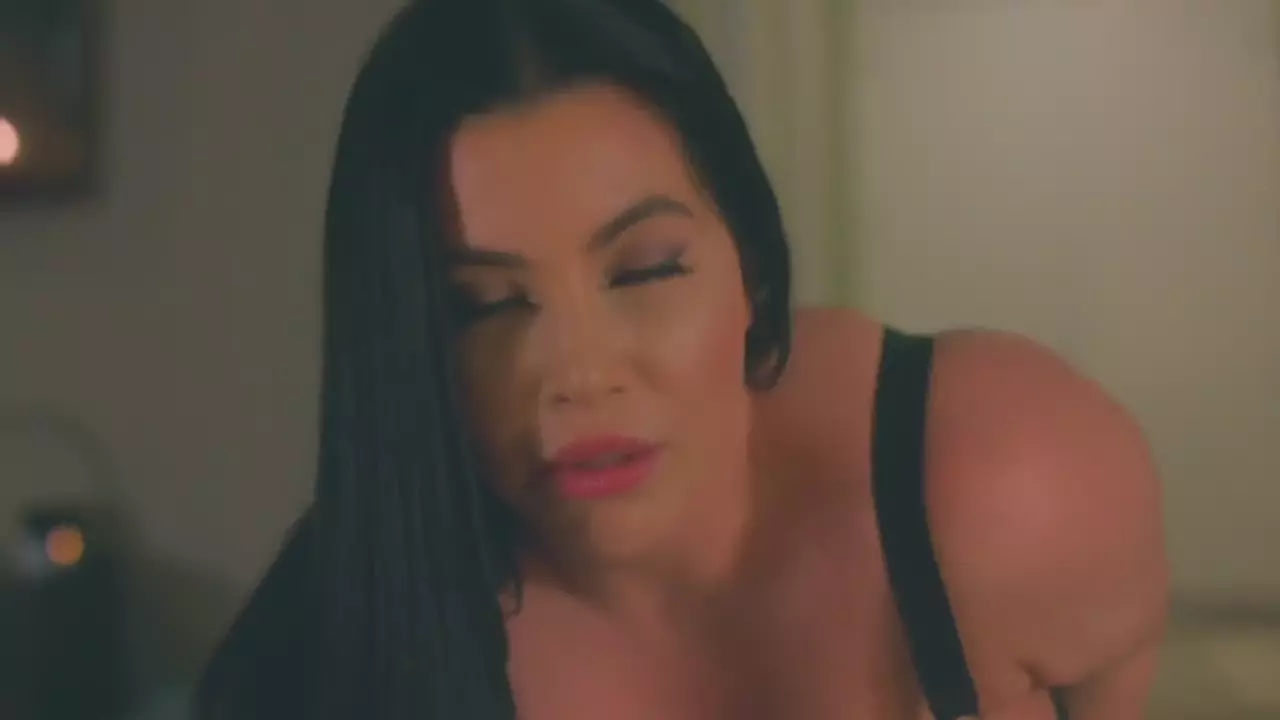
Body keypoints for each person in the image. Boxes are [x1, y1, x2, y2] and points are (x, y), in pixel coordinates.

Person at [196, 0, 1169, 718]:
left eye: (645, 270)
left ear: (748, 266)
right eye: (486, 306)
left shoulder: (1005, 487)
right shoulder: (331, 650)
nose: (581, 372)